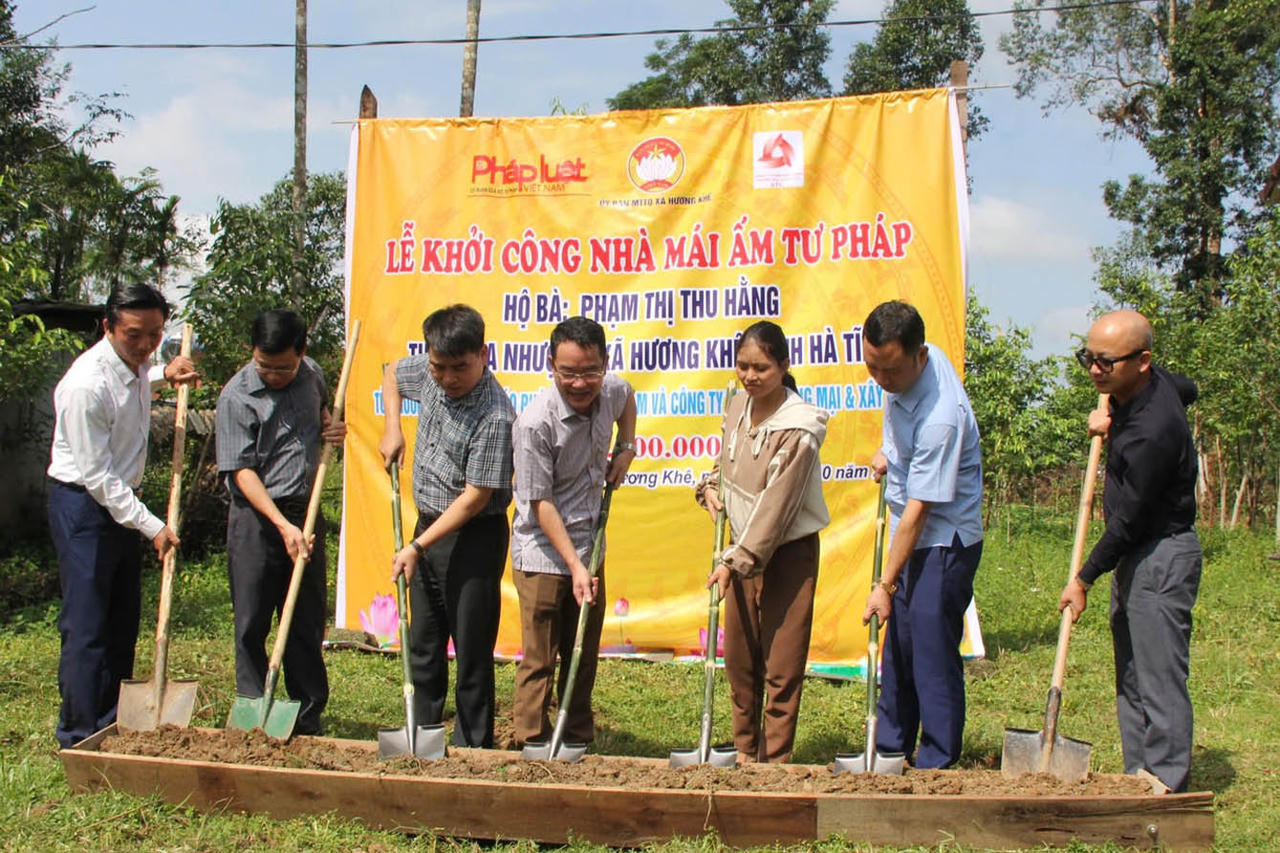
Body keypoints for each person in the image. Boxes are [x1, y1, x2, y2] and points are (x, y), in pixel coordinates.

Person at [47, 283, 198, 747]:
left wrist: (163, 372)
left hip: (119, 506)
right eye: (134, 335)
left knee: (121, 618)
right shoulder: (84, 386)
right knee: (88, 622)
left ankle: (114, 720)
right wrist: (154, 526)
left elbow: (137, 377)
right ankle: (77, 731)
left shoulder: (135, 368)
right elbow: (98, 478)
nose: (146, 345)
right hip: (83, 504)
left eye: (155, 334)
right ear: (108, 327)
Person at [1059, 309, 1201, 793]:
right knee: (1133, 671)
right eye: (1088, 358)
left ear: (1142, 361)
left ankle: (1165, 785)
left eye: (1106, 363)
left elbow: (1127, 521)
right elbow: (1189, 388)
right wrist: (1112, 416)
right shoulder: (1150, 385)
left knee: (1158, 675)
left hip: (1160, 552)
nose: (1095, 371)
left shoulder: (1154, 433)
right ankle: (1136, 775)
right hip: (1138, 552)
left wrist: (1083, 578)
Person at [379, 304, 515, 748]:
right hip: (428, 526)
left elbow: (475, 498)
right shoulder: (429, 373)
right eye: (440, 368)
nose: (448, 378)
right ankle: (421, 736)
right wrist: (393, 427)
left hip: (473, 536)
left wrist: (417, 547)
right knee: (423, 641)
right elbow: (392, 371)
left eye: (461, 367)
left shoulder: (495, 415)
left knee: (472, 647)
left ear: (484, 355)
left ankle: (474, 747)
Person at [697, 320, 829, 763]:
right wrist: (711, 486)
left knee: (781, 663)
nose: (750, 377)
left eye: (761, 368)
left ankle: (774, 767)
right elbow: (725, 463)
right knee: (740, 660)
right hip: (739, 550)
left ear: (783, 366)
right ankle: (744, 754)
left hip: (784, 552)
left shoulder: (800, 428)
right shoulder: (737, 405)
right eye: (743, 367)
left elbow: (776, 508)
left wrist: (735, 561)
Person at [861, 300, 983, 770]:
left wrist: (884, 584)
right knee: (900, 644)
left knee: (930, 645)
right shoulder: (906, 366)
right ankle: (891, 747)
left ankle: (936, 760)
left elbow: (919, 511)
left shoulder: (941, 417)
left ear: (919, 358)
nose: (881, 380)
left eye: (889, 370)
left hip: (943, 540)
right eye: (872, 366)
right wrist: (889, 451)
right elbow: (899, 430)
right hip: (913, 531)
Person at [215, 309, 346, 736]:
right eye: (264, 366)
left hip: (304, 513)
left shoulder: (311, 375)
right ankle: (256, 714)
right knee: (252, 619)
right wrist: (279, 524)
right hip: (256, 517)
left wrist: (332, 431)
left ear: (302, 353)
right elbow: (241, 471)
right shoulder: (236, 397)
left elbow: (322, 419)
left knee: (305, 620)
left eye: (282, 367)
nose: (273, 375)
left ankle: (308, 715)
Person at [509, 317, 636, 748]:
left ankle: (577, 740)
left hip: (590, 543)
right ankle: (531, 741)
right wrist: (575, 566)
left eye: (590, 372)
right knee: (540, 656)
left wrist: (627, 449)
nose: (580, 383)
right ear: (551, 366)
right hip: (543, 552)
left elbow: (628, 399)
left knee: (581, 651)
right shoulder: (534, 423)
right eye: (568, 373)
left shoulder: (612, 390)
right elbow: (539, 503)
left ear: (605, 363)